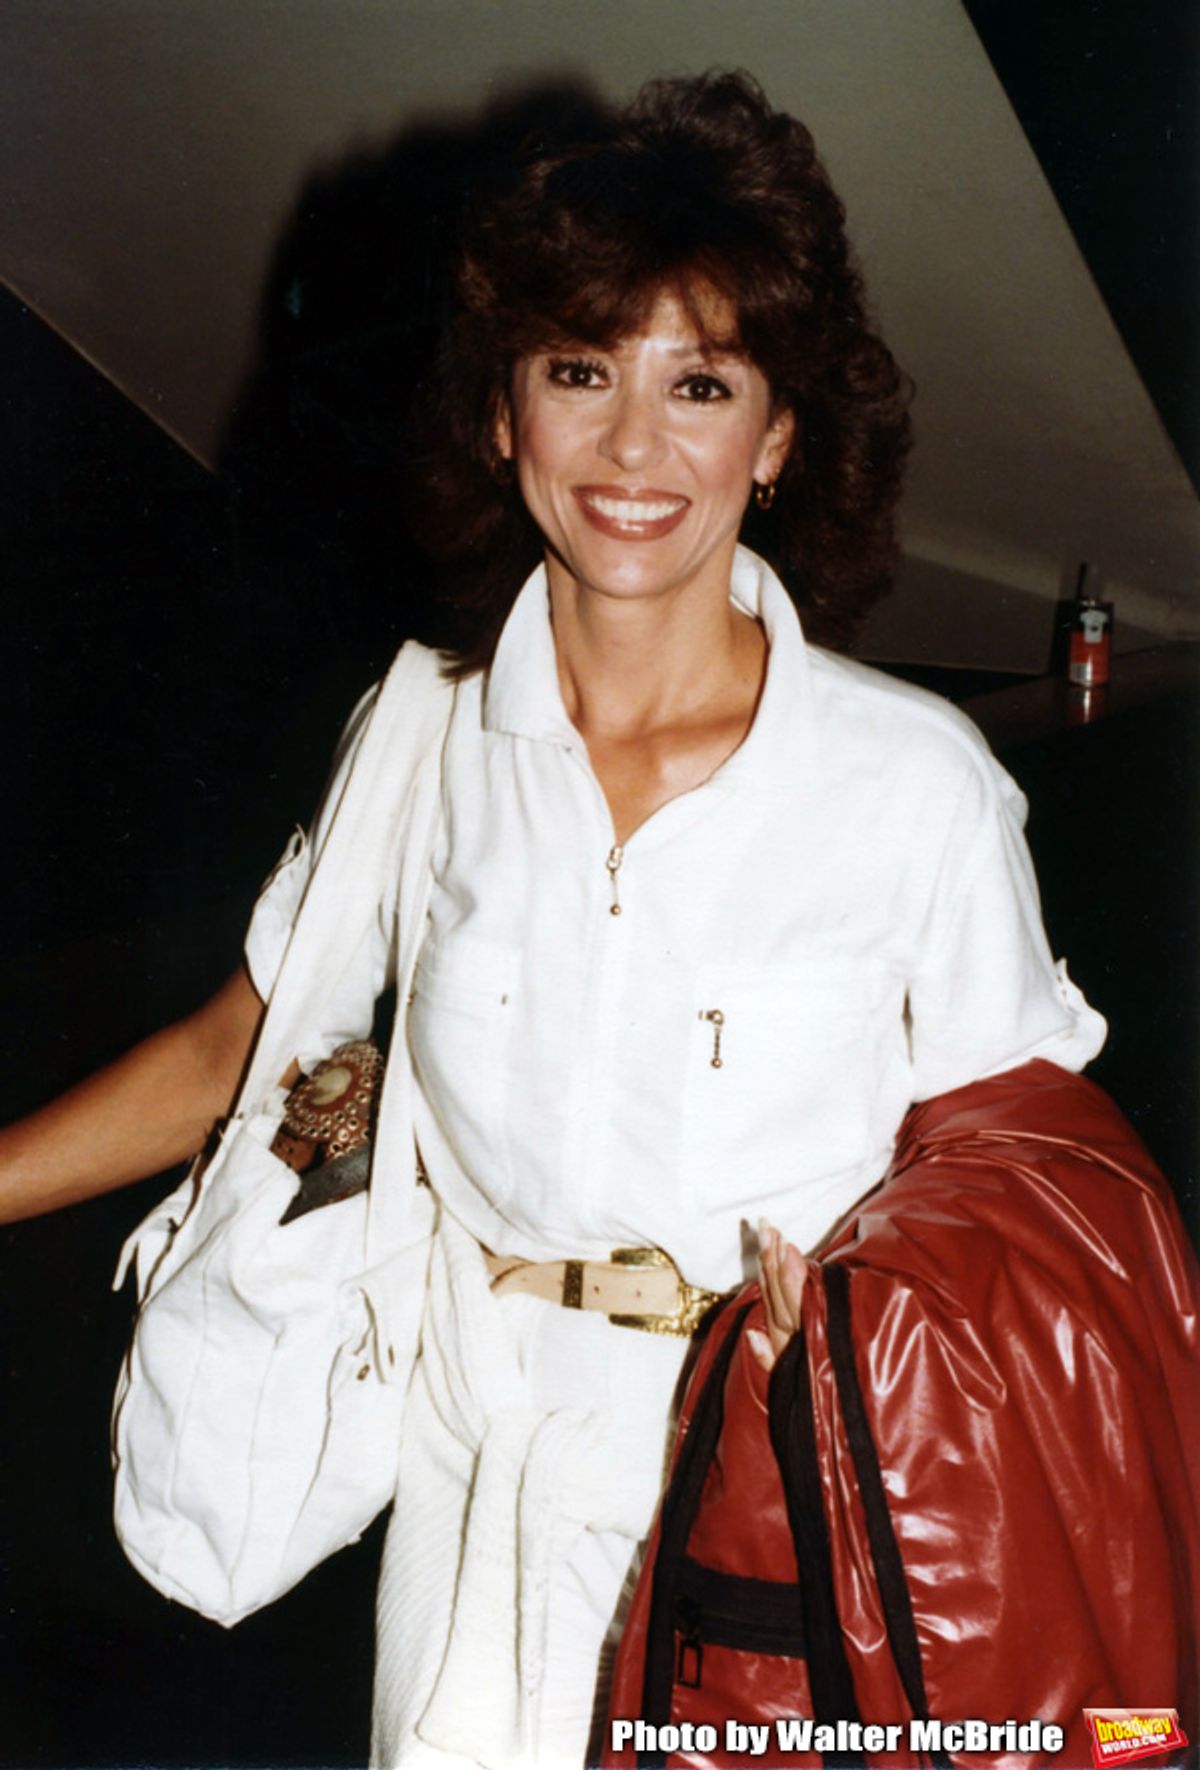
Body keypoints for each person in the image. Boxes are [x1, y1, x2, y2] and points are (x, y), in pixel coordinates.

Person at [2, 71, 1115, 1767]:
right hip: (470, 1487)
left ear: (779, 436)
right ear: (504, 414)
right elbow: (242, 1046)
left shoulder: (912, 787)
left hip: (764, 1517)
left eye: (702, 383)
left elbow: (1029, 1194)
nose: (634, 447)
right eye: (582, 370)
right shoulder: (426, 732)